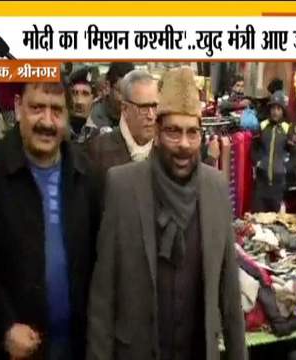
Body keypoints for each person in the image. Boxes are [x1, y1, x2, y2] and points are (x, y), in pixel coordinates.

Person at [86, 67, 246, 360]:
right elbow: (103, 295)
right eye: (173, 131)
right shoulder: (122, 184)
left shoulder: (215, 187)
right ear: (157, 133)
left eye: (192, 132)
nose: (184, 144)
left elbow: (230, 295)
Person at [0, 82, 99, 360]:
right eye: (36, 108)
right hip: (8, 351)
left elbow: (97, 263)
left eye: (56, 110)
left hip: (75, 347)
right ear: (19, 107)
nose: (46, 121)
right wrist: (3, 327)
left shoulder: (87, 176)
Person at [86, 69, 158, 203]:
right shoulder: (98, 151)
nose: (151, 116)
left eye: (154, 106)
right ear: (125, 109)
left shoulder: (166, 151)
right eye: (143, 108)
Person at [252, 90, 294, 213]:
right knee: (258, 216)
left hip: (278, 182)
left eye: (278, 109)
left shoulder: (287, 129)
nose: (275, 112)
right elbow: (254, 147)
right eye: (273, 108)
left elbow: (294, 153)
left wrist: (286, 167)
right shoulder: (263, 126)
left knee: (276, 219)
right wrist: (258, 162)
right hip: (261, 181)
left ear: (283, 111)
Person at [89, 62, 135, 130]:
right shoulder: (96, 117)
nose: (126, 99)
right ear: (108, 87)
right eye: (121, 92)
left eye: (130, 92)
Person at [67, 66, 100, 143]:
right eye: (74, 93)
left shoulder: (99, 136)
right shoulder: (58, 132)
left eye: (85, 94)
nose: (79, 101)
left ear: (93, 99)